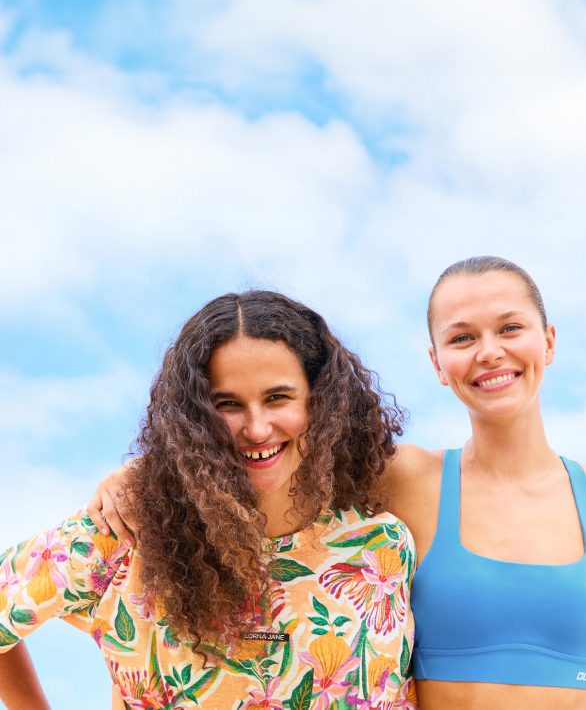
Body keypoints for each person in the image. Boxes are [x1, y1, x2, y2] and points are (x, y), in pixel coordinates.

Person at [86, 257, 586, 710]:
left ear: (548, 340)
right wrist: (139, 473)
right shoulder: (405, 479)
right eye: (462, 338)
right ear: (438, 364)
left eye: (510, 327)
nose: (489, 352)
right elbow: (266, 455)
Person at [0, 291, 417, 710]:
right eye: (227, 405)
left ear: (321, 399)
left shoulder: (381, 546)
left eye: (277, 397)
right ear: (193, 418)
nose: (256, 429)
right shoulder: (122, 535)